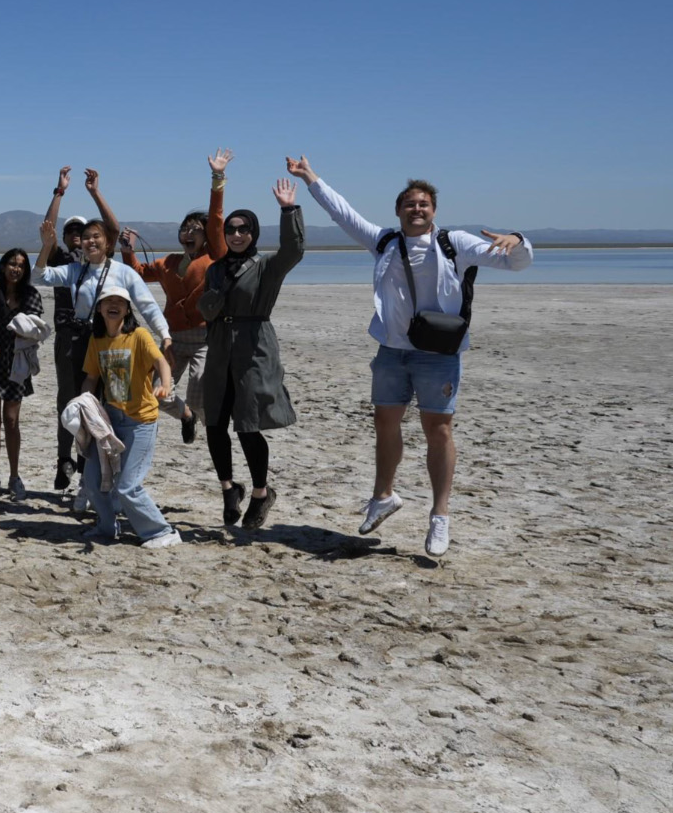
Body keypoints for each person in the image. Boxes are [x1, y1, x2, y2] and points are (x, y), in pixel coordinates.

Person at [293, 156, 533, 557]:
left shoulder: (454, 243)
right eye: (409, 204)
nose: (416, 209)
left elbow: (515, 262)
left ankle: (440, 516)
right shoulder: (385, 241)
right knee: (385, 422)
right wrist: (311, 178)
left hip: (438, 354)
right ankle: (383, 495)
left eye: (423, 204)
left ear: (433, 211)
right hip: (392, 352)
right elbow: (344, 214)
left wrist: (519, 240)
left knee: (438, 430)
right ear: (398, 210)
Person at [39, 170, 175, 507]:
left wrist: (165, 336)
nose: (90, 241)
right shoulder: (75, 269)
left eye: (96, 237)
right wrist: (45, 246)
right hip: (80, 345)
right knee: (80, 409)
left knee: (111, 411)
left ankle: (107, 483)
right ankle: (83, 479)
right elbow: (39, 275)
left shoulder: (123, 271)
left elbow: (146, 304)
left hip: (113, 346)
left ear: (107, 241)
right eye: (85, 238)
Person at [196, 178, 305, 532]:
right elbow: (207, 306)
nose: (238, 235)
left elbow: (294, 249)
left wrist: (288, 210)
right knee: (214, 423)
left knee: (248, 425)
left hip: (254, 348)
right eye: (232, 229)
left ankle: (260, 493)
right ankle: (229, 489)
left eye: (244, 230)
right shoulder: (216, 268)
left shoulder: (266, 267)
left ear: (254, 233)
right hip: (218, 349)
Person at [121, 149, 231, 445]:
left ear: (207, 235)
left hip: (204, 339)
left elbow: (217, 220)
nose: (188, 233)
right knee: (156, 391)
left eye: (195, 229)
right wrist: (127, 248)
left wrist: (217, 177)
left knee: (199, 387)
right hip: (173, 339)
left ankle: (212, 430)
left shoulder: (215, 259)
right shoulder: (167, 263)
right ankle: (187, 417)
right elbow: (137, 272)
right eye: (184, 228)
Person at [80, 285, 180, 549]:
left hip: (140, 422)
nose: (113, 305)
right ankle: (106, 526)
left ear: (127, 309)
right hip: (110, 421)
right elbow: (91, 378)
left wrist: (165, 384)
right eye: (107, 301)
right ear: (99, 308)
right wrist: (84, 406)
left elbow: (161, 363)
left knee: (127, 487)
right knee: (91, 480)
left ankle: (162, 532)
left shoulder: (139, 335)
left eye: (120, 302)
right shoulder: (97, 340)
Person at [0, 247, 48, 501]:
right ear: (2, 266)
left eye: (20, 265)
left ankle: (14, 476)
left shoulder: (31, 295)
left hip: (16, 363)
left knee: (12, 421)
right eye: (11, 263)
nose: (15, 268)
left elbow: (35, 328)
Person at [39, 167, 87, 490]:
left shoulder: (96, 262)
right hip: (67, 339)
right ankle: (63, 460)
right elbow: (48, 229)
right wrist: (59, 192)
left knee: (91, 401)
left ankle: (86, 465)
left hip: (94, 338)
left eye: (80, 232)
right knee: (66, 400)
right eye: (71, 231)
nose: (75, 235)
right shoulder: (58, 259)